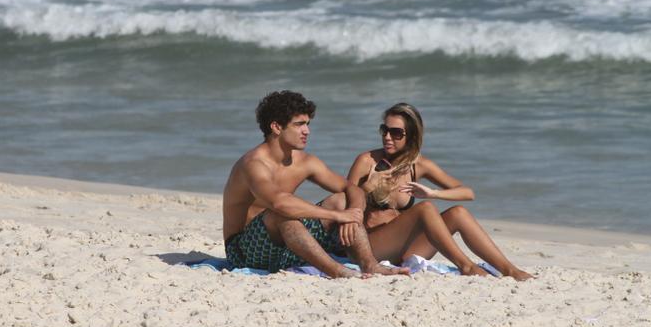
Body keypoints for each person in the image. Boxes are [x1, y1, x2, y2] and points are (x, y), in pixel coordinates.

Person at [222, 91, 408, 278]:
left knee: (342, 200)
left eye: (307, 124)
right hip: (244, 252)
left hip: (287, 246)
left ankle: (370, 265)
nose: (307, 131)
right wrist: (337, 215)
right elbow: (280, 203)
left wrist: (353, 215)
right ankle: (337, 271)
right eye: (299, 124)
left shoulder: (305, 161)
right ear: (276, 127)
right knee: (280, 213)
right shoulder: (253, 164)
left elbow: (351, 189)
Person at [347, 102, 533, 281]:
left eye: (396, 133)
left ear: (411, 135)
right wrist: (368, 187)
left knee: (458, 213)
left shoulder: (418, 165)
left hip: (403, 252)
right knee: (426, 208)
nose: (387, 137)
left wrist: (433, 193)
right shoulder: (366, 161)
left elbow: (468, 193)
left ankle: (510, 270)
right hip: (369, 248)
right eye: (384, 130)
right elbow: (343, 202)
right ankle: (466, 266)